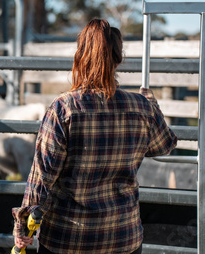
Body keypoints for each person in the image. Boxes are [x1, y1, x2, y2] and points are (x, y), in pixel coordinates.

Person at [12, 18, 177, 254]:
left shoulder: (63, 109)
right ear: (117, 59)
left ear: (80, 57)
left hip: (68, 239)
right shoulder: (141, 107)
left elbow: (42, 177)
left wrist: (22, 226)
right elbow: (165, 146)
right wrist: (152, 105)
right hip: (123, 237)